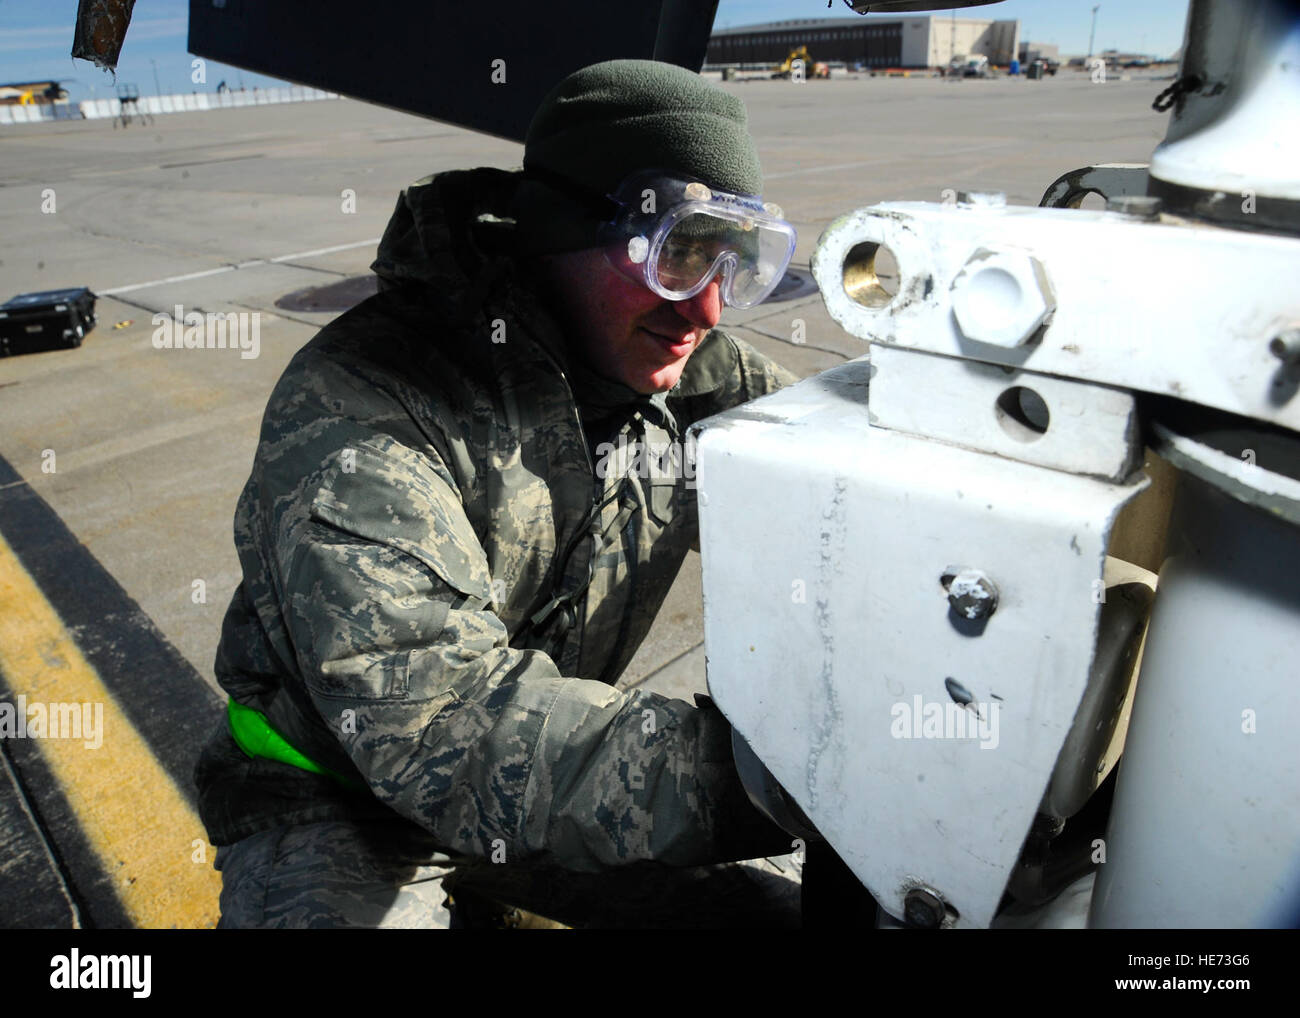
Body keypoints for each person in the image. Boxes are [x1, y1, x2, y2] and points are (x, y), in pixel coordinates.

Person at [195, 58, 806, 928]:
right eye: (677, 255)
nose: (706, 311)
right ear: (562, 233)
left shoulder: (688, 381)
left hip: (543, 781)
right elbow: (442, 722)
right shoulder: (364, 401)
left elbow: (850, 482)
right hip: (338, 796)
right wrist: (785, 781)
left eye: (728, 262)